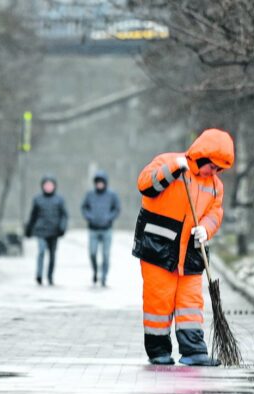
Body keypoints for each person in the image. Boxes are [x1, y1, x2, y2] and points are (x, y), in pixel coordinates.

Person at [132, 128, 234, 366]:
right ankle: (158, 352)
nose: (215, 172)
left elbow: (215, 212)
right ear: (202, 157)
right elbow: (145, 185)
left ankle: (194, 351)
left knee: (191, 303)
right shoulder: (169, 162)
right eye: (213, 167)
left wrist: (206, 229)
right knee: (159, 301)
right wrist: (173, 169)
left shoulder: (216, 186)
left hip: (190, 252)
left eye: (220, 170)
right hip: (158, 248)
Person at [25, 175, 68, 286]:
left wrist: (62, 227)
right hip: (41, 231)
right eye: (46, 185)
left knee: (52, 255)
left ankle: (50, 276)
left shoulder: (59, 200)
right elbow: (33, 216)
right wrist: (29, 229)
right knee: (41, 251)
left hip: (54, 231)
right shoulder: (37, 199)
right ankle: (39, 275)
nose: (48, 187)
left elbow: (64, 215)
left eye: (50, 185)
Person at [81, 170, 121, 287]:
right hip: (93, 229)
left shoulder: (112, 195)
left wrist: (109, 217)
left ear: (105, 183)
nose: (99, 184)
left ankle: (103, 276)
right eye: (97, 182)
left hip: (106, 229)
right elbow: (84, 208)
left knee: (105, 255)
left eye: (101, 182)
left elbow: (117, 209)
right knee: (92, 253)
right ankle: (95, 271)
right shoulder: (89, 195)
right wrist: (90, 217)